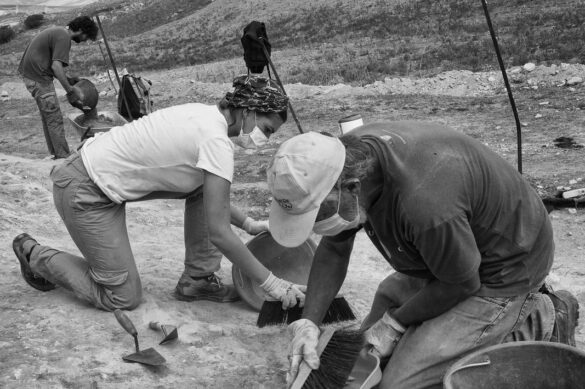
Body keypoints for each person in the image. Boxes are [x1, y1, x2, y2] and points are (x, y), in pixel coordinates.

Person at [266, 123, 580, 389]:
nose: (318, 226)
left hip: (504, 270)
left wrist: (394, 324)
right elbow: (335, 247)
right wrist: (309, 320)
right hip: (456, 249)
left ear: (351, 188)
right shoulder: (347, 159)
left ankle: (538, 316)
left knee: (401, 382)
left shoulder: (424, 205)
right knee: (385, 309)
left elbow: (462, 283)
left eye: (318, 215)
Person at [12, 75, 306, 312]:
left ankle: (197, 281)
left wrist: (249, 224)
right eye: (266, 129)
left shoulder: (204, 115)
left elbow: (214, 199)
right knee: (123, 297)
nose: (263, 140)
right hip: (84, 192)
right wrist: (271, 283)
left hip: (95, 181)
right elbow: (218, 232)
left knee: (203, 187)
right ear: (247, 110)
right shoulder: (215, 141)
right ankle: (35, 254)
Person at [18, 16, 98, 159]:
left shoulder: (59, 32)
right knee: (54, 118)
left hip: (32, 75)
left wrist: (69, 80)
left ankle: (56, 153)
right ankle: (63, 157)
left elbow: (53, 66)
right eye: (86, 36)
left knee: (48, 117)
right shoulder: (64, 37)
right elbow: (56, 66)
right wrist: (70, 91)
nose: (85, 40)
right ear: (80, 30)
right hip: (38, 79)